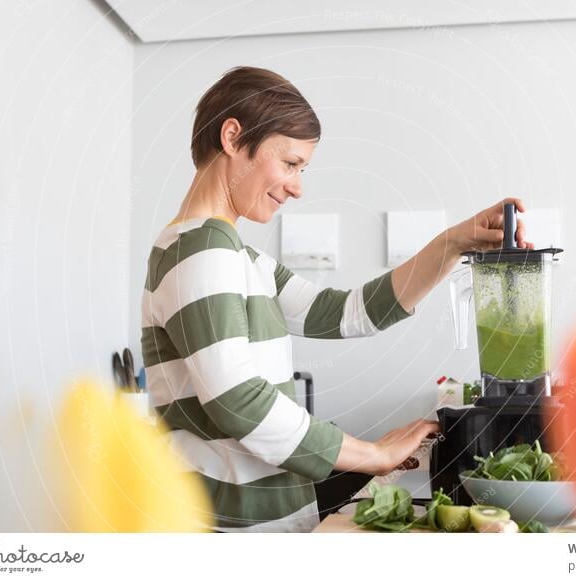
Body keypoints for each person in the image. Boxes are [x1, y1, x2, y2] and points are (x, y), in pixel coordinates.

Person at [141, 66, 532, 532]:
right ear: (232, 137)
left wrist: (452, 243)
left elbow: (344, 311)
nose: (297, 186)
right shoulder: (199, 252)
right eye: (290, 163)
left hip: (260, 518)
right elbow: (239, 402)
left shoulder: (236, 256)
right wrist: (372, 454)